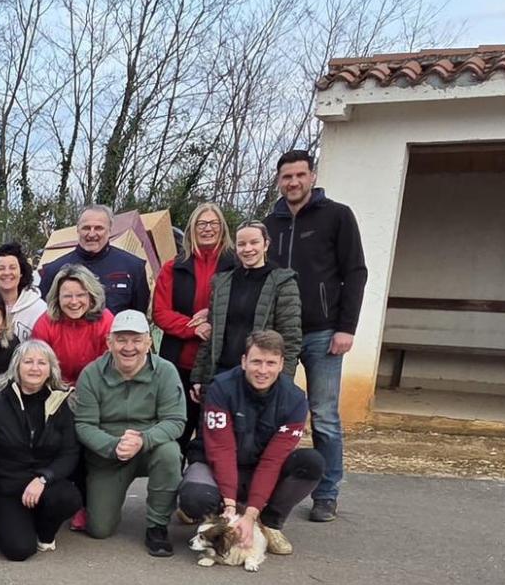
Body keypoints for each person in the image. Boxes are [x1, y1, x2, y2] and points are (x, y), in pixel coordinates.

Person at [263, 149, 368, 523]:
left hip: (324, 332)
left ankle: (326, 493)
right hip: (279, 335)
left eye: (299, 175)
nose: (293, 182)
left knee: (323, 415)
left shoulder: (337, 216)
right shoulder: (269, 224)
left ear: (312, 176)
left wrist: (346, 327)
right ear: (279, 181)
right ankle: (269, 488)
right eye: (286, 177)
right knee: (275, 413)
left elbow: (355, 272)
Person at [177, 330, 324, 557]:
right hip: (216, 464)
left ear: (281, 364)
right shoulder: (220, 388)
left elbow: (272, 461)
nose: (263, 370)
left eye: (270, 363)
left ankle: (269, 523)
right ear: (244, 361)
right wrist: (230, 506)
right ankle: (221, 518)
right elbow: (221, 450)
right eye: (256, 362)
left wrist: (251, 514)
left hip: (259, 468)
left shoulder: (295, 400)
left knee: (311, 462)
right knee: (195, 498)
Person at [73, 310, 187, 557]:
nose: (129, 347)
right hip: (108, 453)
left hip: (150, 448)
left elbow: (175, 421)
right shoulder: (91, 374)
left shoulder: (166, 371)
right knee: (99, 529)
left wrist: (143, 440)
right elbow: (84, 425)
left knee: (169, 453)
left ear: (148, 342)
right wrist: (113, 446)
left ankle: (157, 526)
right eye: (121, 340)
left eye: (136, 340)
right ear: (109, 342)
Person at [0, 340, 83, 561]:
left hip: (42, 482)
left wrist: (44, 478)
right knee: (20, 550)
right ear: (17, 366)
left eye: (41, 363)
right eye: (28, 362)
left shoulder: (61, 401)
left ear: (50, 369)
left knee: (69, 498)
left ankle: (44, 533)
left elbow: (69, 452)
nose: (35, 368)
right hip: (4, 484)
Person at [153, 202, 237, 451]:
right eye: (201, 224)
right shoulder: (173, 267)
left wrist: (213, 317)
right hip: (179, 364)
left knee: (214, 438)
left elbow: (243, 308)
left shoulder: (237, 267)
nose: (207, 229)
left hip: (222, 363)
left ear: (222, 228)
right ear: (191, 229)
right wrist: (194, 328)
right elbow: (160, 313)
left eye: (213, 223)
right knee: (175, 434)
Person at [191, 220, 302, 392]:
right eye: (241, 244)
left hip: (260, 376)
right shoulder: (222, 283)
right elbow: (211, 335)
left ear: (266, 245)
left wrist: (283, 383)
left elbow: (290, 339)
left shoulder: (283, 283)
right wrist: (198, 377)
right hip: (221, 375)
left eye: (254, 242)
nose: (248, 249)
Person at [38, 205, 150, 315]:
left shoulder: (133, 267)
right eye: (86, 228)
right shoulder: (53, 271)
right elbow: (46, 315)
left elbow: (138, 316)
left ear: (110, 230)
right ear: (77, 230)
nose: (91, 234)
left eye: (99, 228)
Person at [31, 264, 115, 386]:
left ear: (91, 296)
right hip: (55, 388)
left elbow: (110, 367)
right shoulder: (45, 323)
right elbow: (38, 366)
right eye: (67, 296)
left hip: (97, 387)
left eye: (80, 295)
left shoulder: (106, 321)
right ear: (57, 298)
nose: (74, 302)